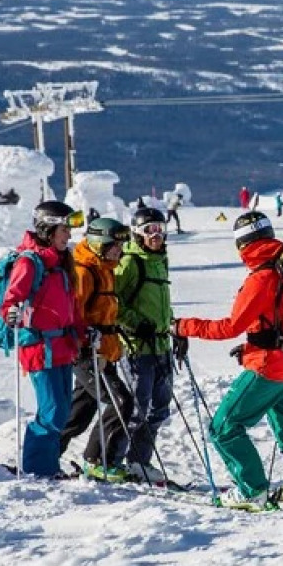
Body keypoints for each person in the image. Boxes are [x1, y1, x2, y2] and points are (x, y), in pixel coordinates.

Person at [173, 212, 283, 512]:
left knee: (224, 427)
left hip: (268, 369)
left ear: (241, 244)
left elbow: (230, 326)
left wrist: (181, 326)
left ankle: (252, 490)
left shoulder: (262, 277)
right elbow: (275, 323)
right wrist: (252, 345)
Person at [0, 201, 89, 478]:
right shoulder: (30, 262)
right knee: (52, 411)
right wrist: (12, 314)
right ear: (47, 229)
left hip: (63, 347)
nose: (69, 235)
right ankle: (38, 469)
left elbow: (71, 307)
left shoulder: (62, 263)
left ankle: (47, 466)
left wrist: (84, 333)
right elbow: (10, 302)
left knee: (61, 414)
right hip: (39, 348)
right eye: (64, 229)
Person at [59, 217, 135, 479]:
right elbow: (75, 316)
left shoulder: (104, 268)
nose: (120, 250)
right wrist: (90, 343)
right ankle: (96, 460)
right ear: (99, 243)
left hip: (103, 352)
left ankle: (46, 455)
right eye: (115, 245)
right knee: (121, 401)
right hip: (87, 353)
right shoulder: (84, 271)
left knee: (80, 411)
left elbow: (103, 312)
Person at [115, 207, 177, 483]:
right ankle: (114, 460)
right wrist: (135, 323)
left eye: (161, 229)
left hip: (161, 344)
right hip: (137, 347)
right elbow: (112, 303)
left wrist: (174, 328)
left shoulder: (160, 260)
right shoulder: (130, 262)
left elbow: (162, 303)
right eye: (150, 229)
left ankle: (139, 462)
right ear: (137, 233)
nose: (157, 235)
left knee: (159, 408)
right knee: (136, 408)